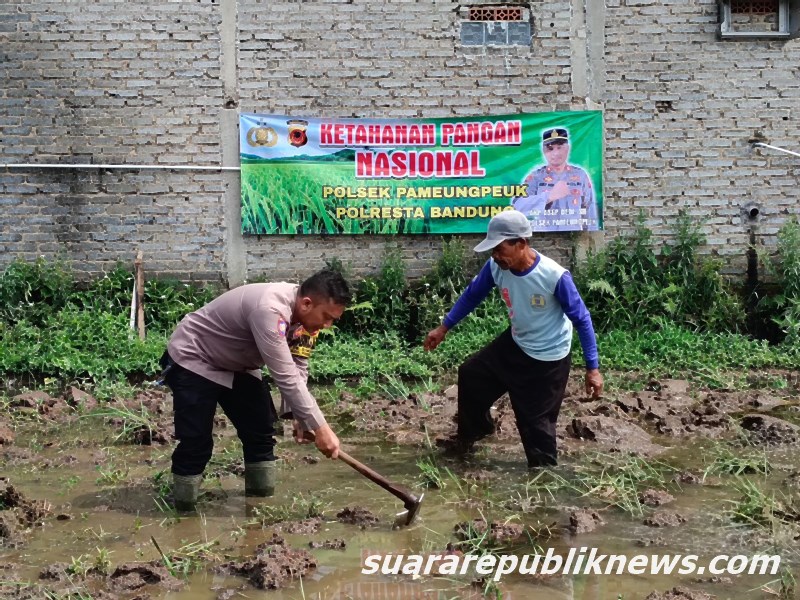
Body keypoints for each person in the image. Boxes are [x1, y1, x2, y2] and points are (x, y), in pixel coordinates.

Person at [423, 210, 603, 468]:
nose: (495, 256)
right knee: (472, 375)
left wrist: (592, 369)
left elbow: (582, 319)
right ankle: (474, 433)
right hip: (517, 343)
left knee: (535, 424)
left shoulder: (554, 276)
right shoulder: (496, 267)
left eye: (499, 249)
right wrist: (444, 327)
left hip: (548, 358)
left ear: (521, 243)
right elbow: (473, 294)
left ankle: (544, 480)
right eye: (492, 250)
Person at [160, 269, 350, 511]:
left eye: (333, 320)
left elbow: (298, 364)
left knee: (260, 431)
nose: (327, 325)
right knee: (196, 442)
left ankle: (260, 508)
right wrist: (321, 428)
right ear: (306, 303)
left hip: (238, 362)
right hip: (196, 357)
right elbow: (285, 376)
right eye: (326, 317)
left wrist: (302, 417)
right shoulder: (269, 310)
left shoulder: (306, 324)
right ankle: (183, 513)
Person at [512, 128, 598, 232]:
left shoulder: (580, 175)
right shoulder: (535, 177)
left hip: (574, 236)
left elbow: (589, 208)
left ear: (567, 149)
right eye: (550, 148)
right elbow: (518, 207)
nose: (556, 153)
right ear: (544, 151)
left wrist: (591, 236)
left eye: (559, 147)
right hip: (544, 237)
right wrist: (548, 197)